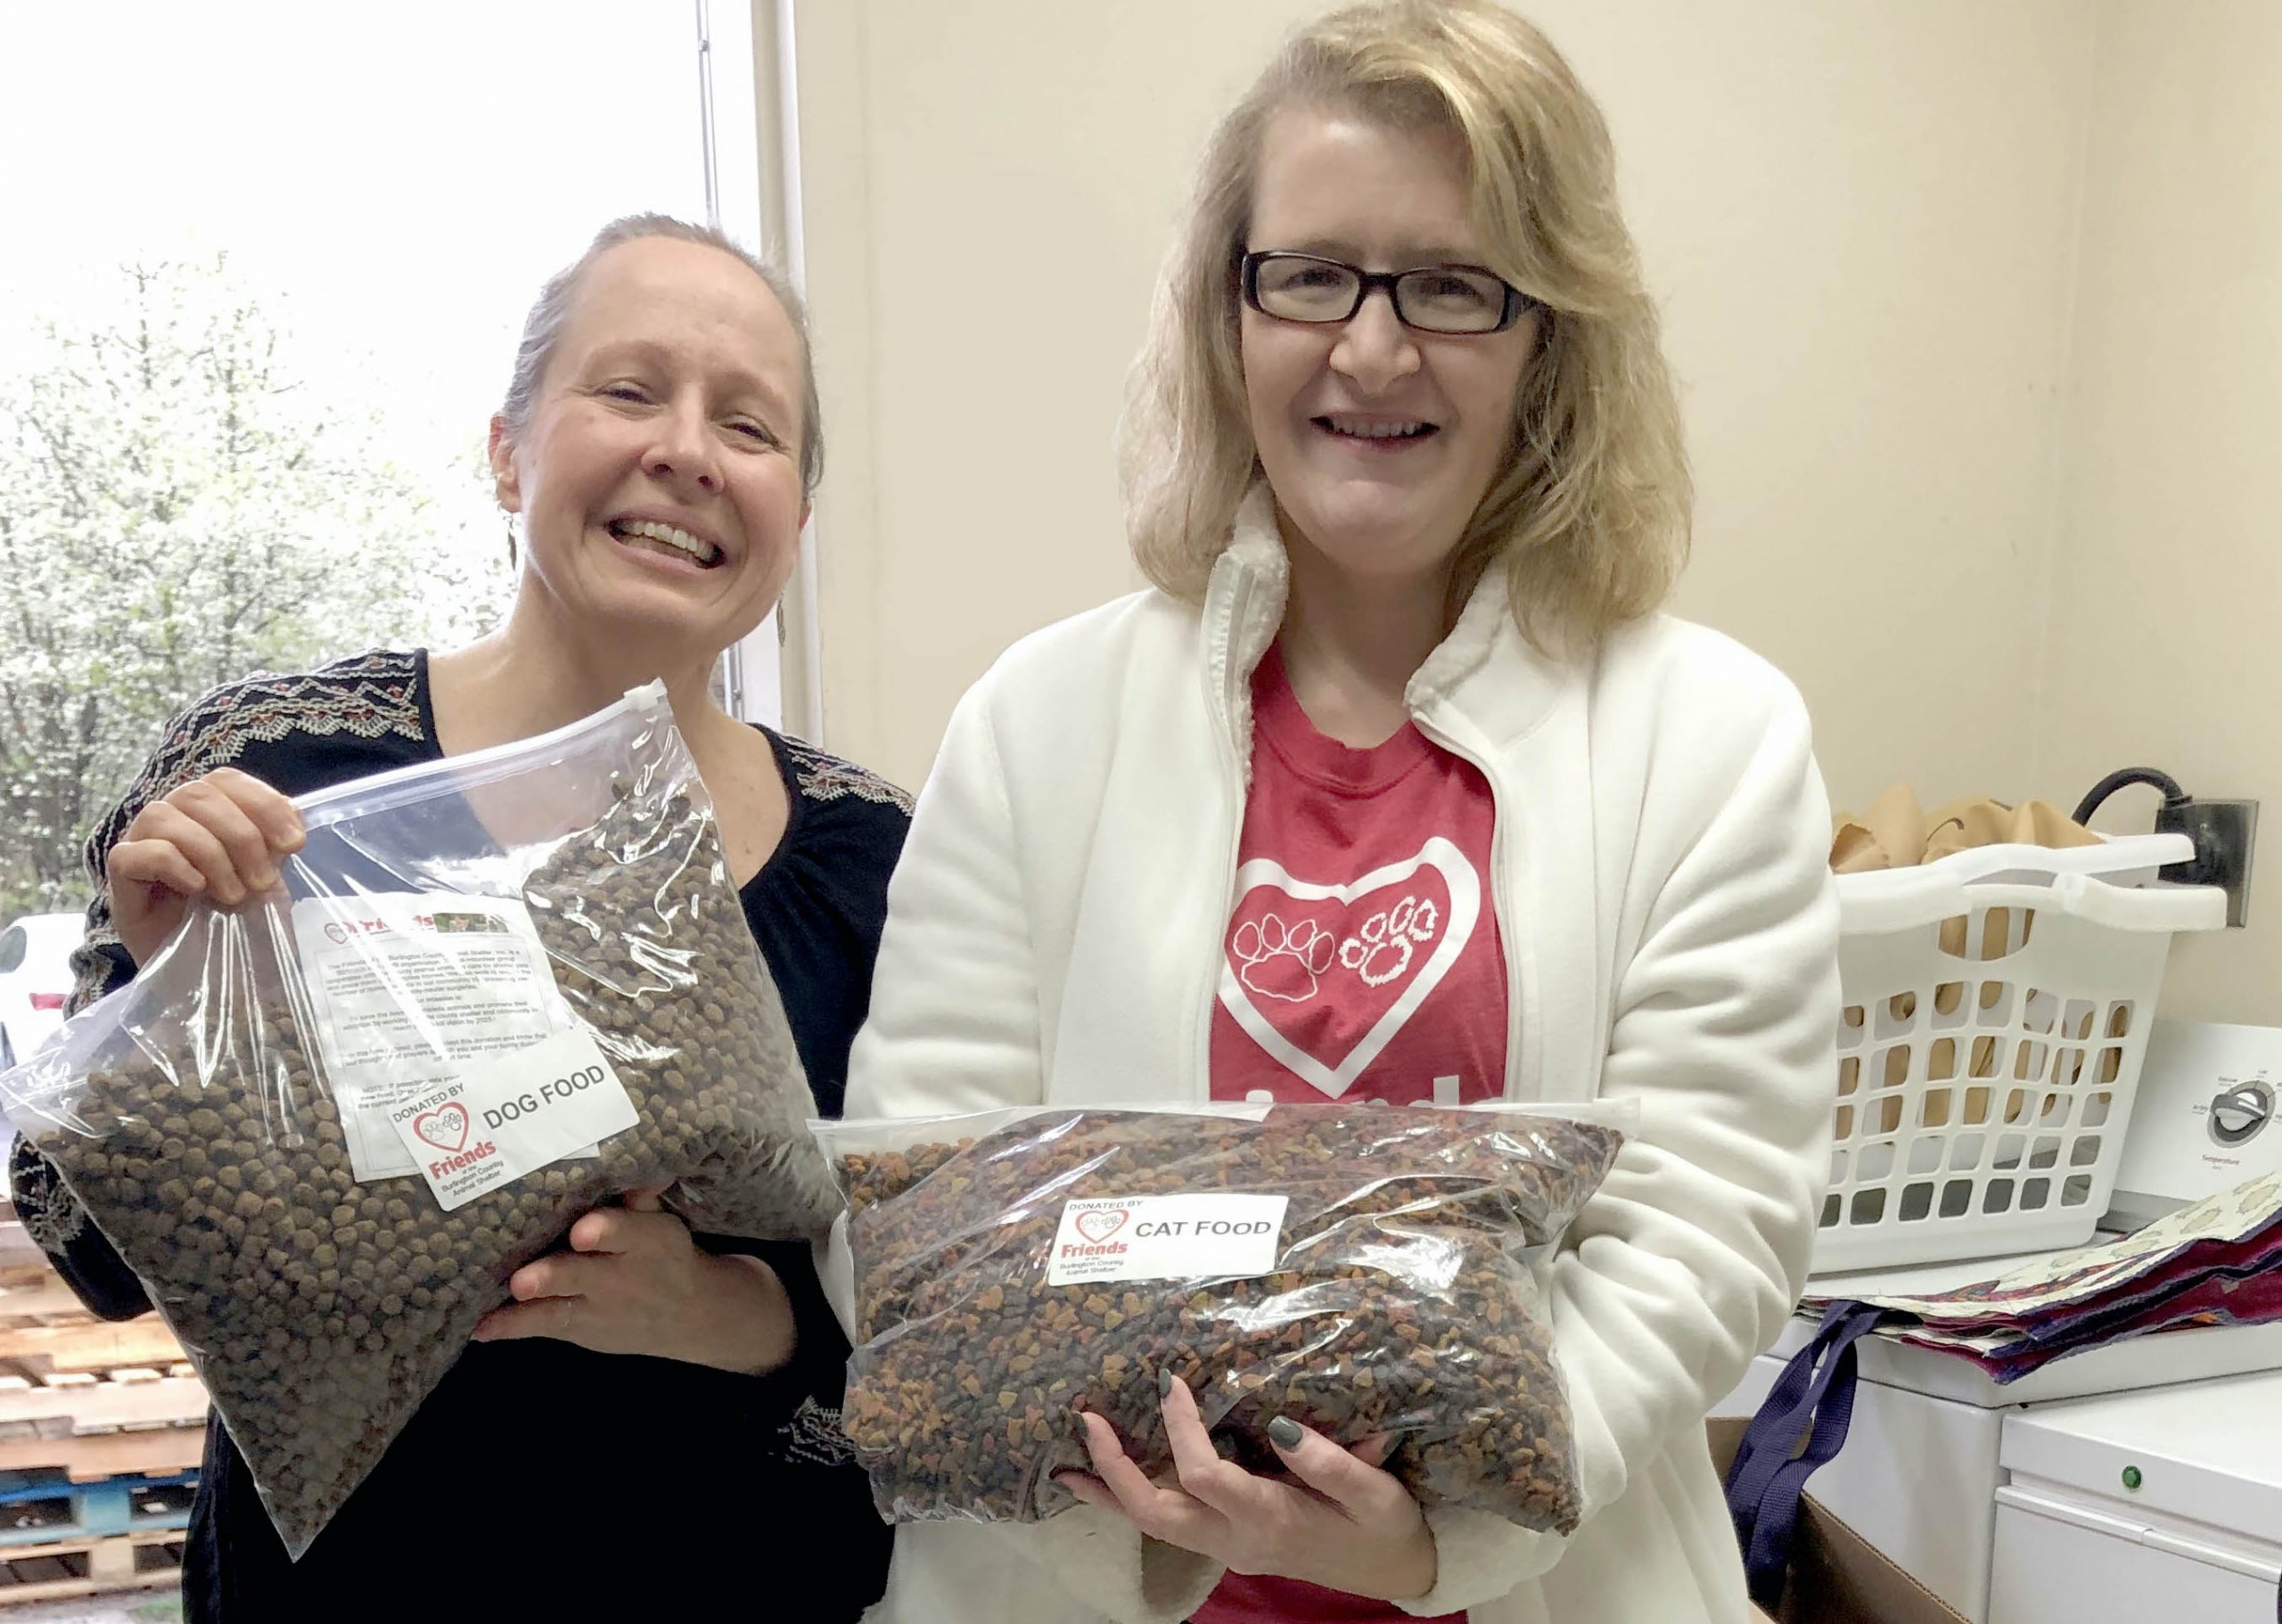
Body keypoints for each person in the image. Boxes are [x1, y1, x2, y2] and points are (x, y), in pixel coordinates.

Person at [841, 4, 1839, 1622]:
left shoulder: (1708, 737)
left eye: (1451, 285)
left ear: (1550, 334)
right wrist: (1146, 1508)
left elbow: (1701, 1225)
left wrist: (1445, 1539)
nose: (1371, 350)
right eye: (1309, 273)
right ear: (1228, 310)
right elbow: (919, 1193)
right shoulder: (1040, 722)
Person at [9, 215, 904, 1622]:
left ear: (795, 512)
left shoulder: (877, 856)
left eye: (751, 423)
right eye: (628, 389)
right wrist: (174, 999)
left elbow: (925, 1318)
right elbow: (88, 1247)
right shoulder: (278, 767)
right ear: (508, 449)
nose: (688, 449)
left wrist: (737, 1315)